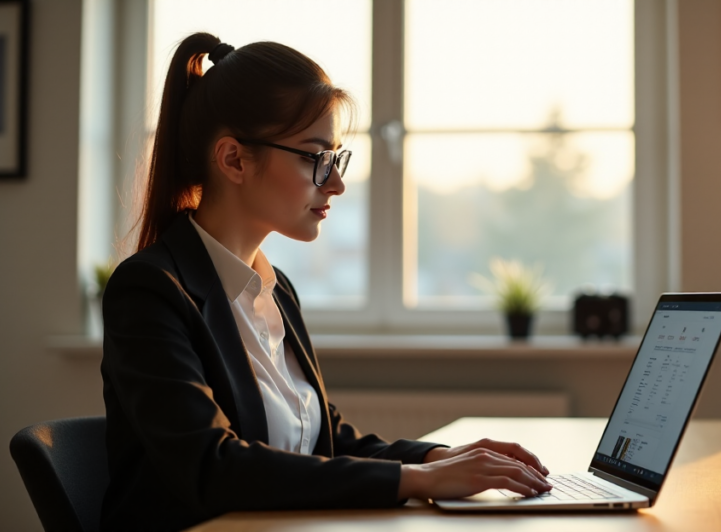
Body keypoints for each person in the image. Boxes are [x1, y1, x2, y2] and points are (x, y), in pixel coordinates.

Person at [100, 33, 552, 532]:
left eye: (337, 158)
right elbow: (213, 467)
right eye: (315, 157)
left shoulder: (276, 290)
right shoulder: (150, 291)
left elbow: (326, 442)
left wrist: (441, 458)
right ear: (233, 160)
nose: (335, 182)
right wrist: (418, 480)